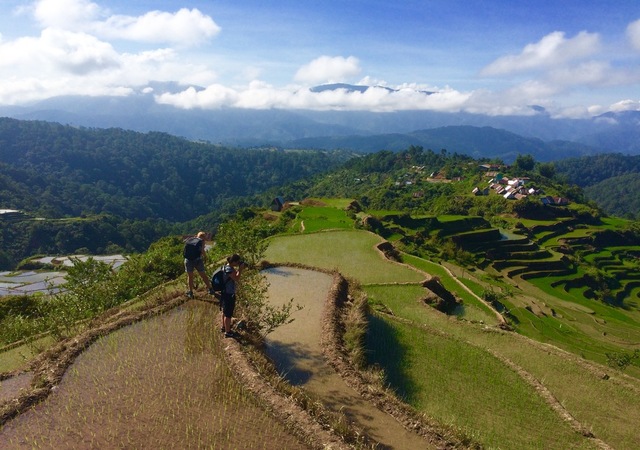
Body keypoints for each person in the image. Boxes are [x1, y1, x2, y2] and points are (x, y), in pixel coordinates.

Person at [184, 231, 215, 298]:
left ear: (197, 235)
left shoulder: (191, 239)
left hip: (188, 260)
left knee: (190, 277)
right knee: (203, 275)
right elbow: (202, 251)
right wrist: (206, 257)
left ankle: (190, 292)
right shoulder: (201, 241)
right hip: (198, 260)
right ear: (203, 237)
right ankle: (210, 289)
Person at [221, 253, 245, 338]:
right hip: (229, 294)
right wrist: (240, 269)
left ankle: (224, 327)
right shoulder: (229, 269)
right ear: (234, 261)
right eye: (237, 262)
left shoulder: (226, 267)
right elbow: (237, 278)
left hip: (225, 293)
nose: (238, 263)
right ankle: (228, 332)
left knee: (224, 311)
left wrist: (237, 269)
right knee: (228, 314)